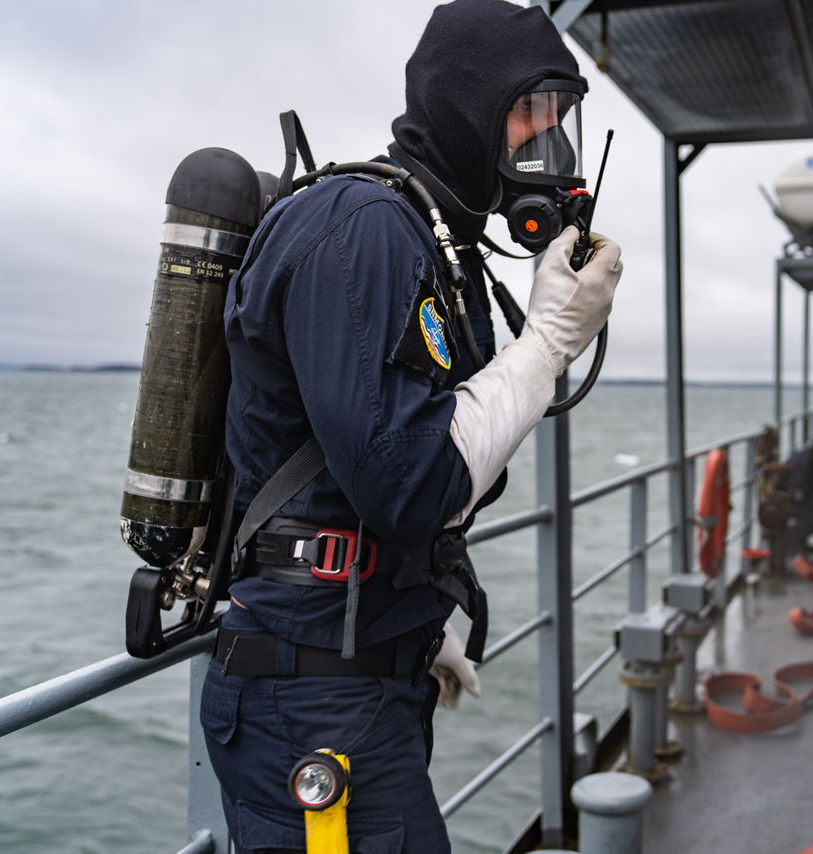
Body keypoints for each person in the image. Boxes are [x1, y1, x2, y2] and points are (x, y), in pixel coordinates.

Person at [198, 2, 622, 851]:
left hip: (363, 671)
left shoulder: (434, 241)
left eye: (557, 124)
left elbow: (442, 460)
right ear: (468, 105)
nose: (544, 149)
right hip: (313, 701)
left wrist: (407, 625)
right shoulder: (364, 232)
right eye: (528, 116)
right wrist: (545, 343)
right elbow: (410, 482)